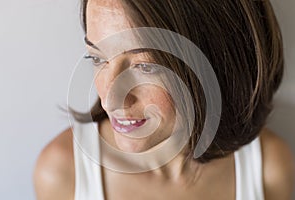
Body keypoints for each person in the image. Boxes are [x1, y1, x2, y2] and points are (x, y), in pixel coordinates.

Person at [33, 0, 294, 199]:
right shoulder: (61, 172)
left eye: (146, 66)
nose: (110, 101)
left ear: (216, 64)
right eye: (98, 58)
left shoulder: (270, 169)